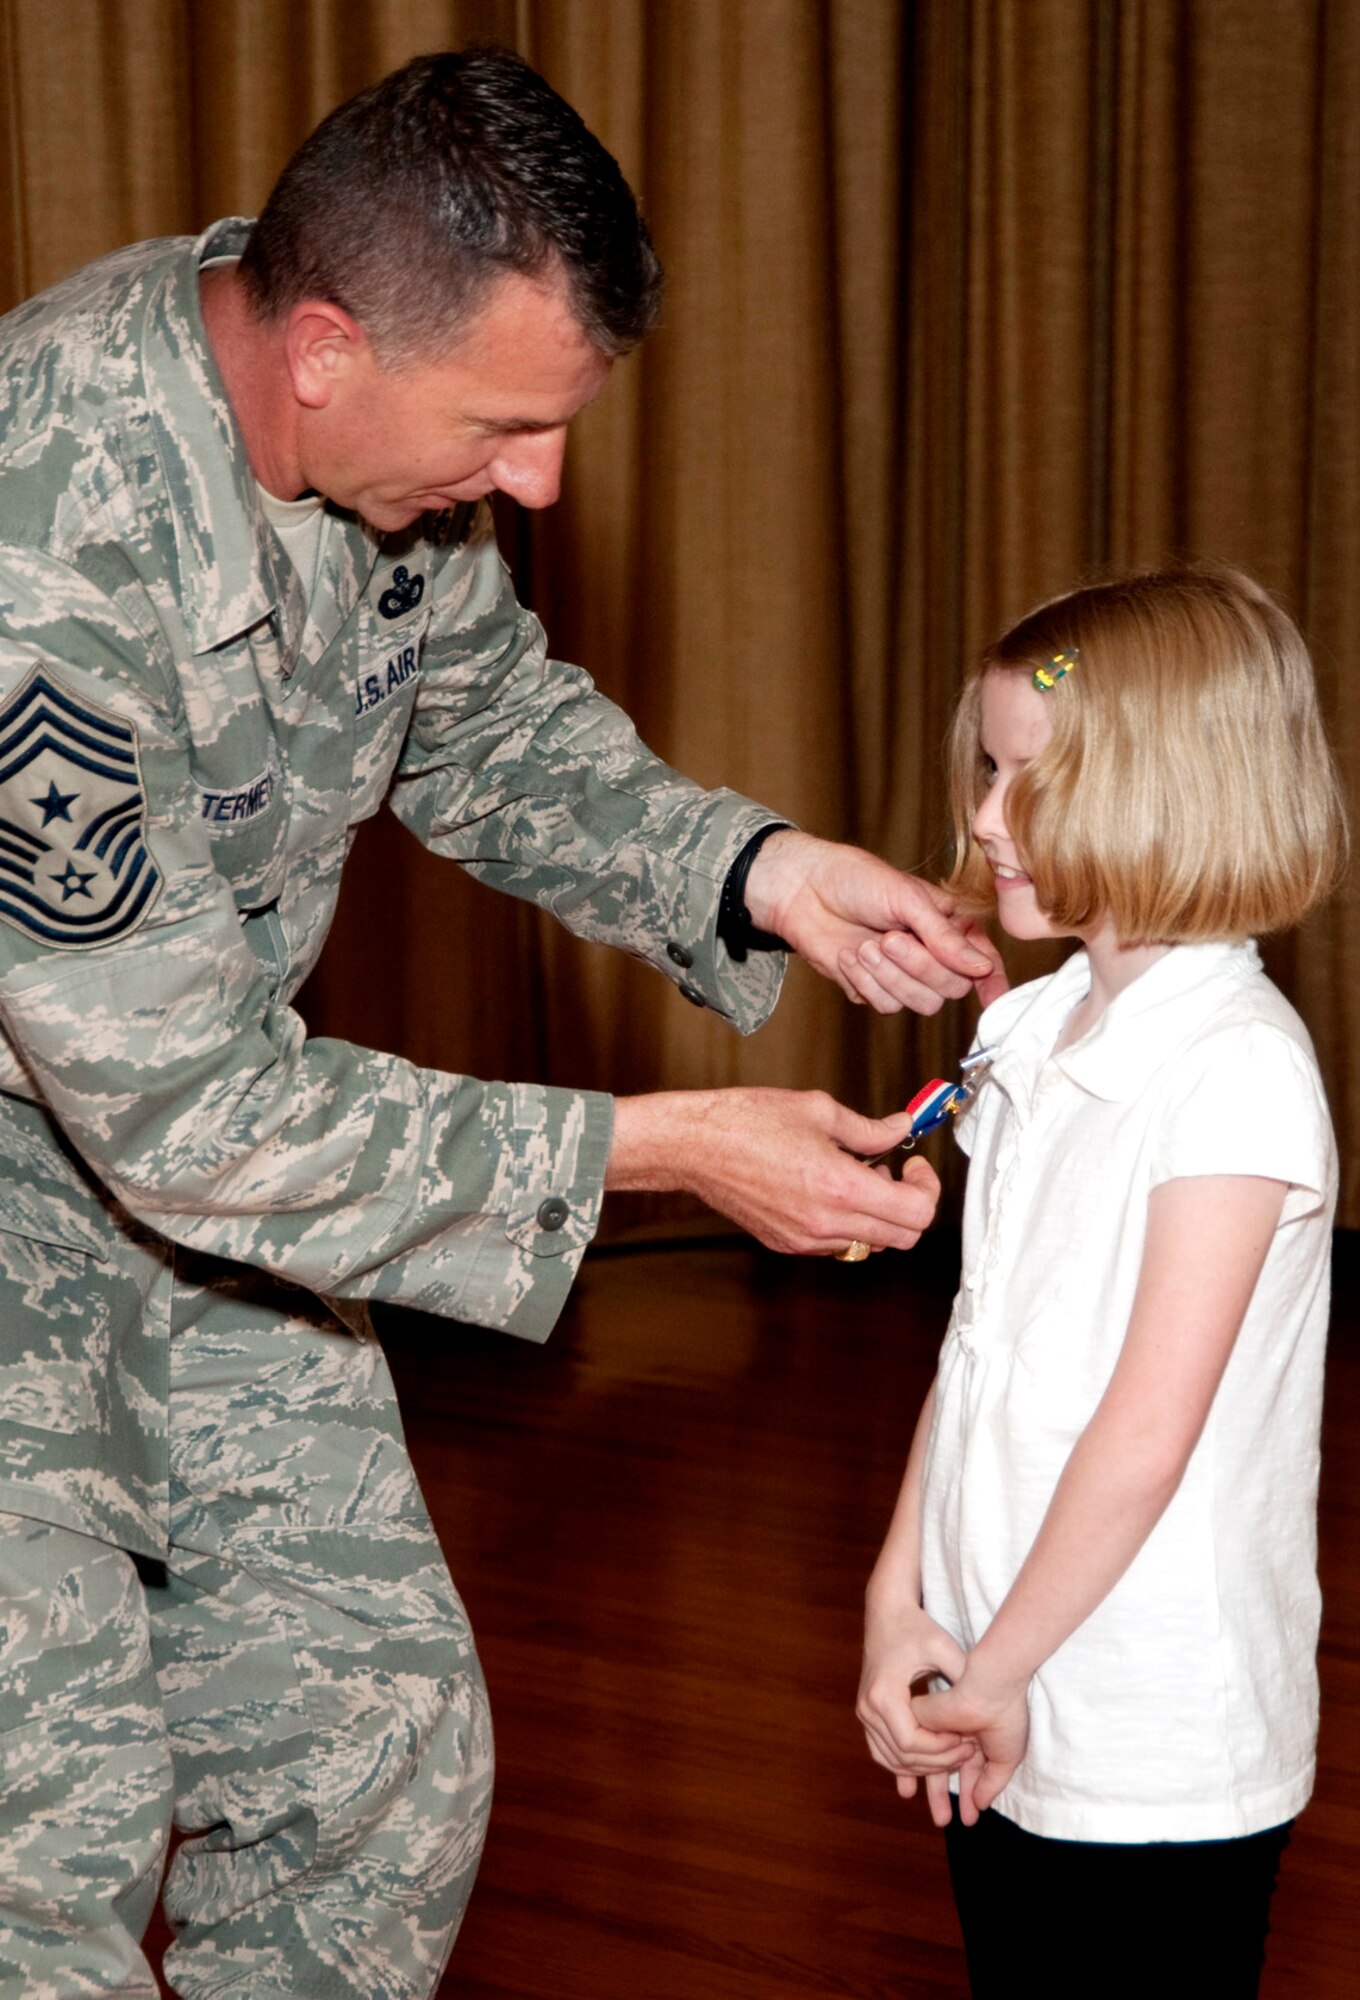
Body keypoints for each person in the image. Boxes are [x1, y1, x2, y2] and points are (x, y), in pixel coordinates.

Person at [0, 44, 1003, 2000]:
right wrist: (661, 1153)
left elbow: (481, 728)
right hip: (101, 1163)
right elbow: (192, 1111)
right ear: (321, 347)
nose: (538, 480)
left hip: (212, 1183)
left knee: (376, 1762)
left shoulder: (383, 464)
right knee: (40, 1845)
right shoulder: (36, 544)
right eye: (507, 426)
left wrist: (761, 872)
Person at [856, 566, 1346, 1999]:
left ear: (1177, 791)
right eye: (991, 772)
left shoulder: (1235, 1070)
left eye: (1030, 780)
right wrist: (903, 1602)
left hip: (1156, 1739)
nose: (985, 818)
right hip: (1002, 1680)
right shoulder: (1029, 1025)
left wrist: (995, 1677)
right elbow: (979, 1347)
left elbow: (1147, 1432)